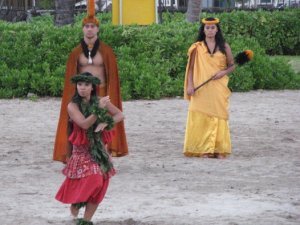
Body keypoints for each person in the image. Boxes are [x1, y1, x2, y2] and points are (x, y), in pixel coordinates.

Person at [53, 0, 128, 163]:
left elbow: (112, 77)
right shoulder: (75, 53)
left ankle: (103, 155)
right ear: (82, 29)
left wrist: (108, 96)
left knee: (102, 124)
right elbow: (71, 79)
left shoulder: (107, 51)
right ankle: (76, 156)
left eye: (92, 26)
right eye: (86, 26)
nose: (89, 29)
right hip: (81, 93)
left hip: (101, 92)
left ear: (98, 29)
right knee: (79, 124)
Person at [55, 72, 124, 225]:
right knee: (94, 180)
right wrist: (98, 110)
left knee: (101, 184)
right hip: (82, 151)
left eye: (86, 85)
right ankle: (75, 209)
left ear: (92, 87)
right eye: (80, 85)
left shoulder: (99, 100)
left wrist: (106, 123)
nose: (82, 88)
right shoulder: (72, 105)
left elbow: (119, 114)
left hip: (100, 149)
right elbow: (85, 124)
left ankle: (86, 221)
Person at [183, 17, 235, 159]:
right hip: (201, 88)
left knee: (219, 115)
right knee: (201, 115)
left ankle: (218, 149)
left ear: (217, 29)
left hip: (218, 87)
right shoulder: (197, 47)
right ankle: (203, 149)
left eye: (213, 27)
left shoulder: (224, 46)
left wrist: (223, 72)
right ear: (203, 30)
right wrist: (190, 85)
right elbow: (191, 68)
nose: (210, 30)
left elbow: (232, 65)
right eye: (207, 28)